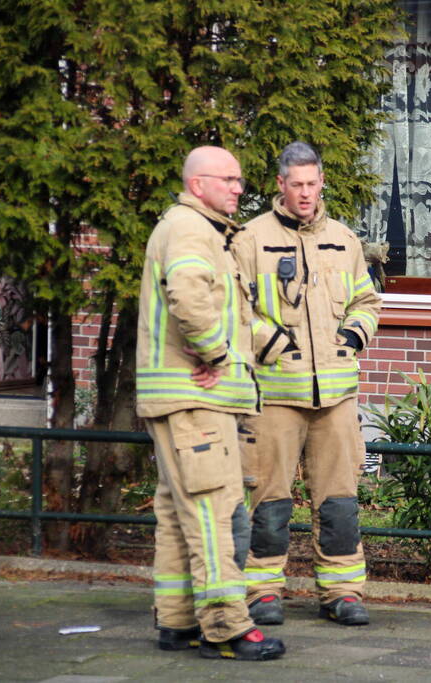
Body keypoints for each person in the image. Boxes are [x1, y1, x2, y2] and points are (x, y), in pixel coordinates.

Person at [136, 146, 285, 661]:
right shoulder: (193, 230)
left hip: (178, 399)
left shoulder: (195, 229)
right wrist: (217, 354)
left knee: (179, 514)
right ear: (197, 184)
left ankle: (177, 622)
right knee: (213, 510)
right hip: (196, 399)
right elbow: (188, 296)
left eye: (240, 179)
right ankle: (225, 626)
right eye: (228, 179)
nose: (238, 188)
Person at [232, 141, 381, 627]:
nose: (305, 193)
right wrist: (271, 343)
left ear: (321, 183)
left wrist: (355, 333)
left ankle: (342, 592)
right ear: (280, 185)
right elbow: (234, 311)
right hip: (273, 396)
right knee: (268, 502)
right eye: (296, 184)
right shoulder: (249, 239)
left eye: (312, 184)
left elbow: (366, 300)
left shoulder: (344, 239)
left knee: (339, 503)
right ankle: (262, 591)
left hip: (336, 398)